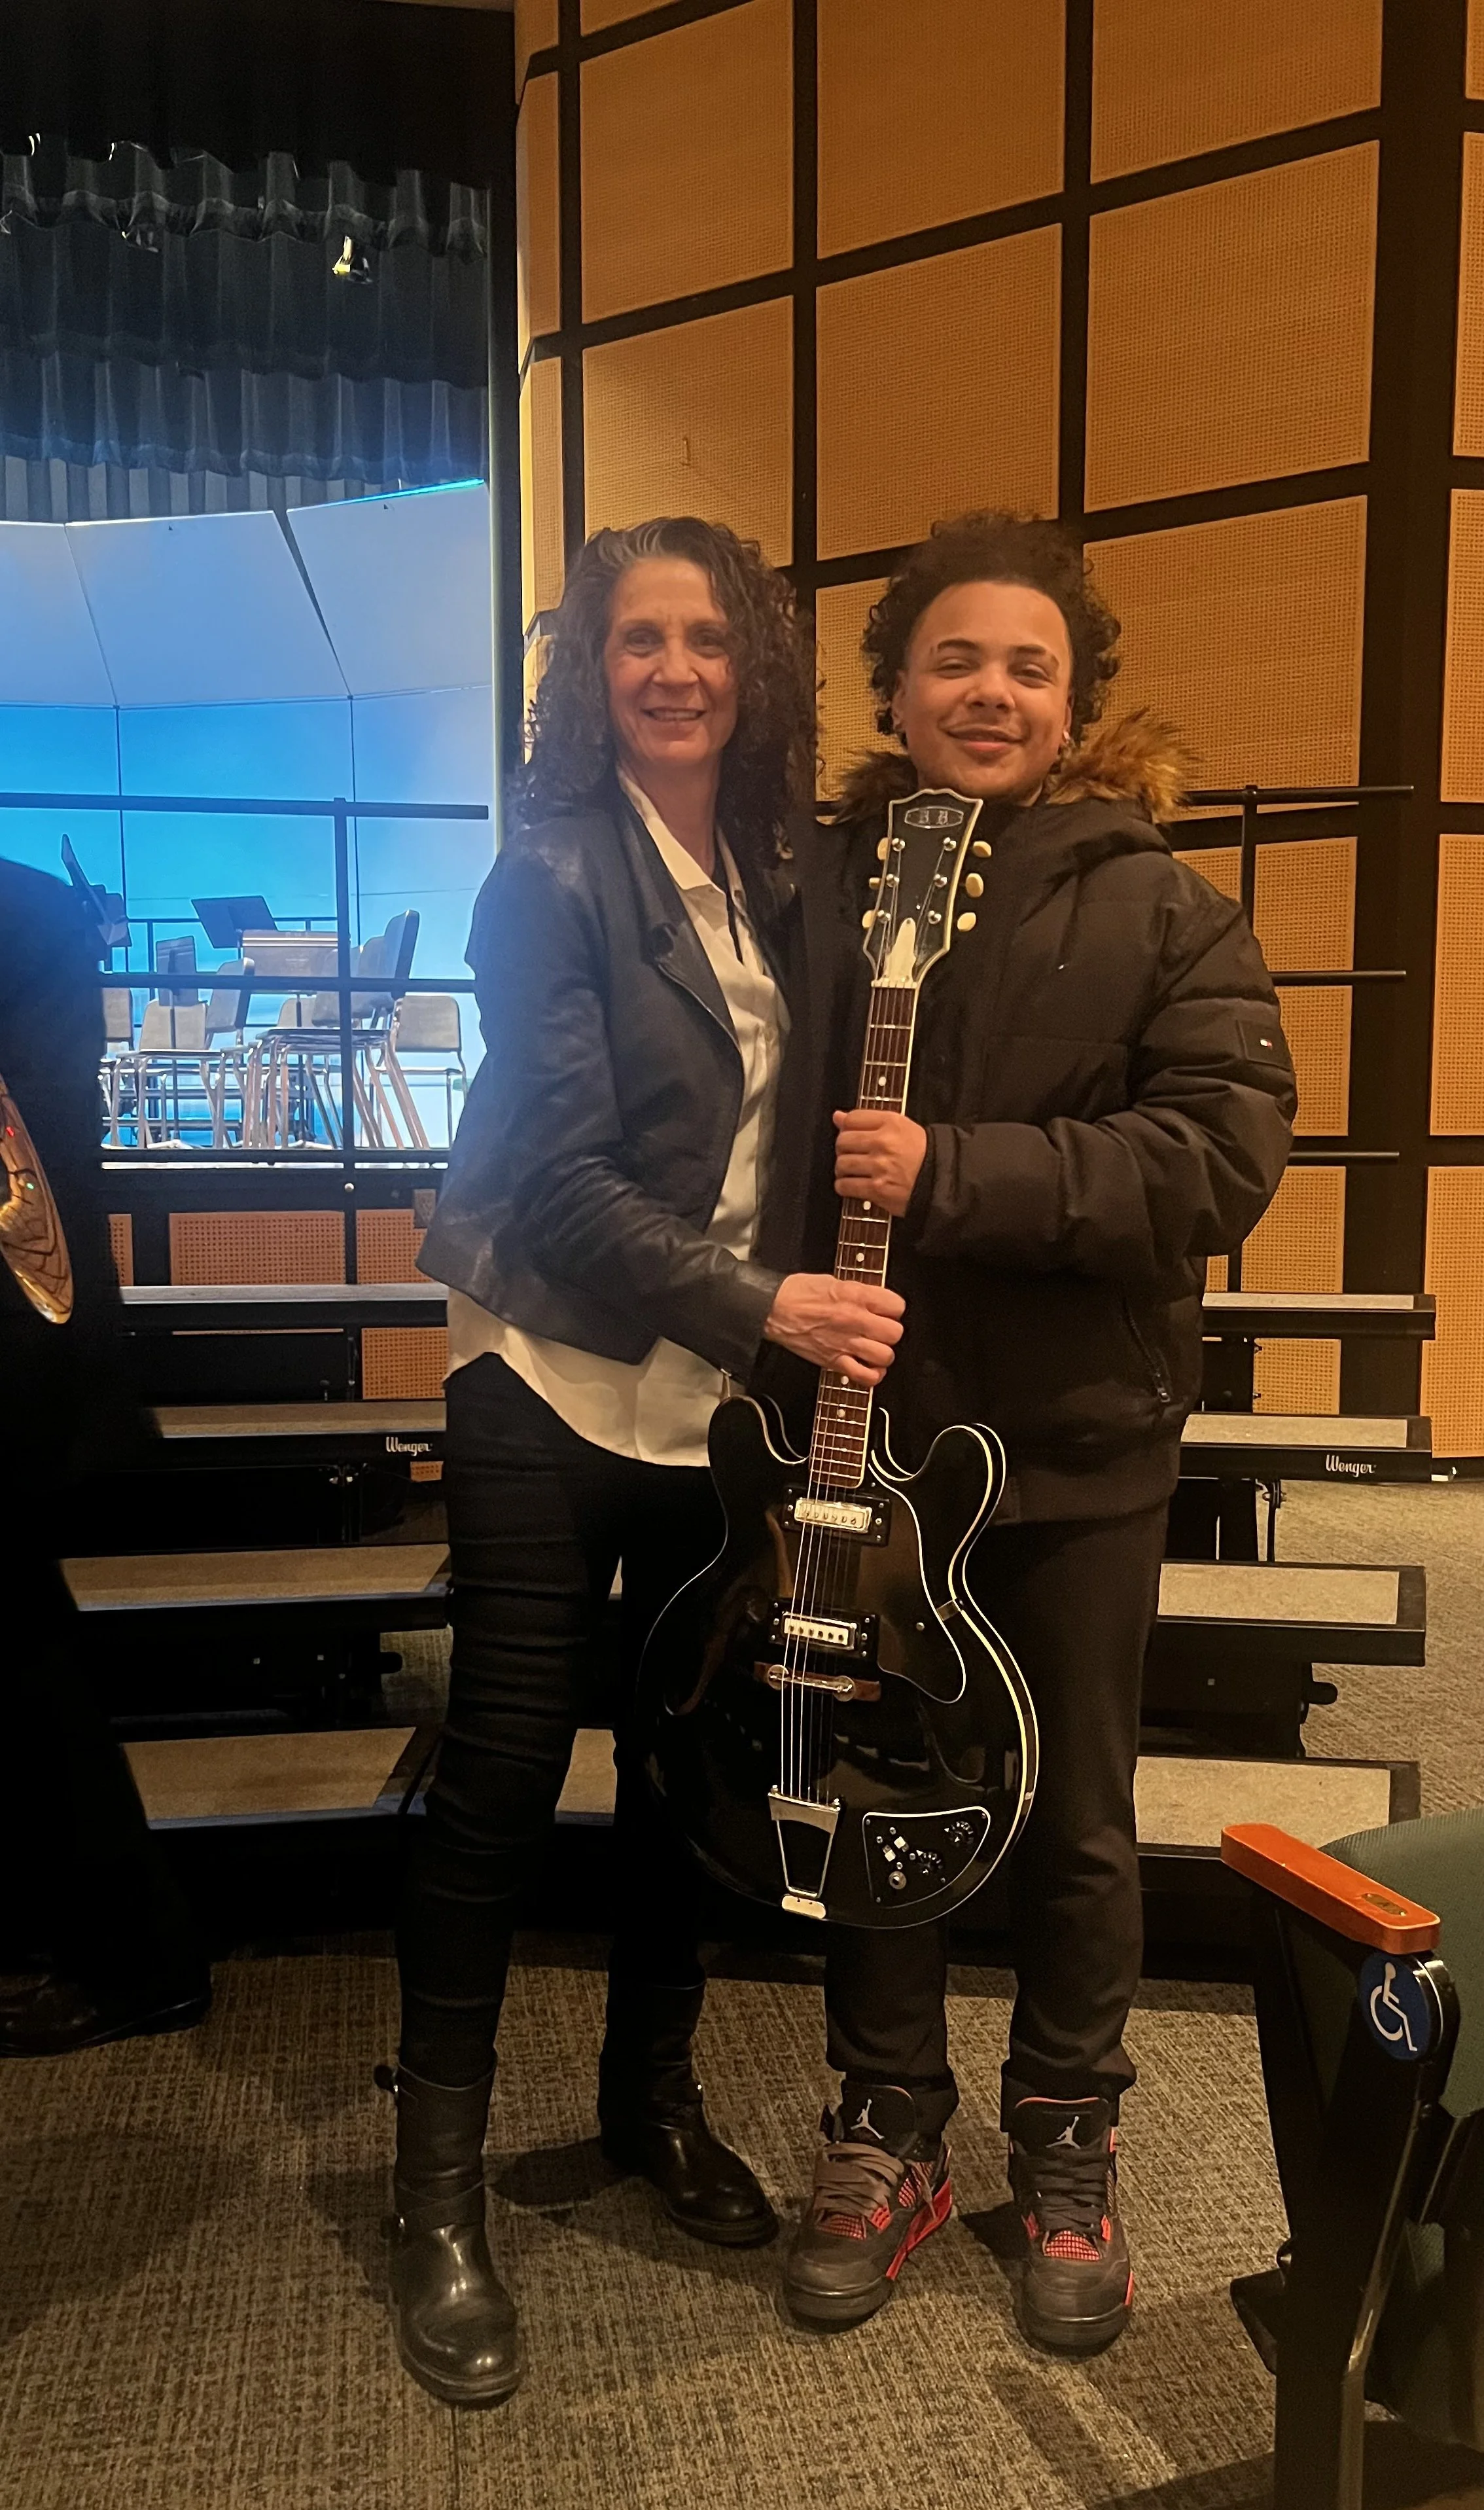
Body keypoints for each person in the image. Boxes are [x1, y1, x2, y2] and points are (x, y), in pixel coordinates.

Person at [775, 512, 1296, 2356]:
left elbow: (1223, 1154)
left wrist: (958, 1174)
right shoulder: (811, 882)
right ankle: (885, 2121)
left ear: (1075, 704)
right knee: (883, 1791)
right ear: (893, 689)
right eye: (952, 660)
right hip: (864, 1437)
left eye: (1027, 667)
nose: (987, 693)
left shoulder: (1161, 900)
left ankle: (1063, 2141)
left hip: (1075, 1437)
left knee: (1074, 1814)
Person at [398, 516, 905, 2407]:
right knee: (511, 1771)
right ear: (586, 673)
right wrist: (767, 1303)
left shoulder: (777, 870)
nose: (677, 668)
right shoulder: (542, 875)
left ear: (751, 669)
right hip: (547, 1364)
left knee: (689, 1769)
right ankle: (431, 2197)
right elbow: (558, 1175)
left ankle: (644, 2107)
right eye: (638, 642)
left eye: (709, 639)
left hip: (708, 1401)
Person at [0, 855, 209, 2056]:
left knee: (26, 1668)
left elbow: (39, 1166)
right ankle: (117, 1947)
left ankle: (135, 1954)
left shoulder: (22, 912)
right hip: (32, 1350)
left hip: (18, 1354)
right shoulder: (28, 907)